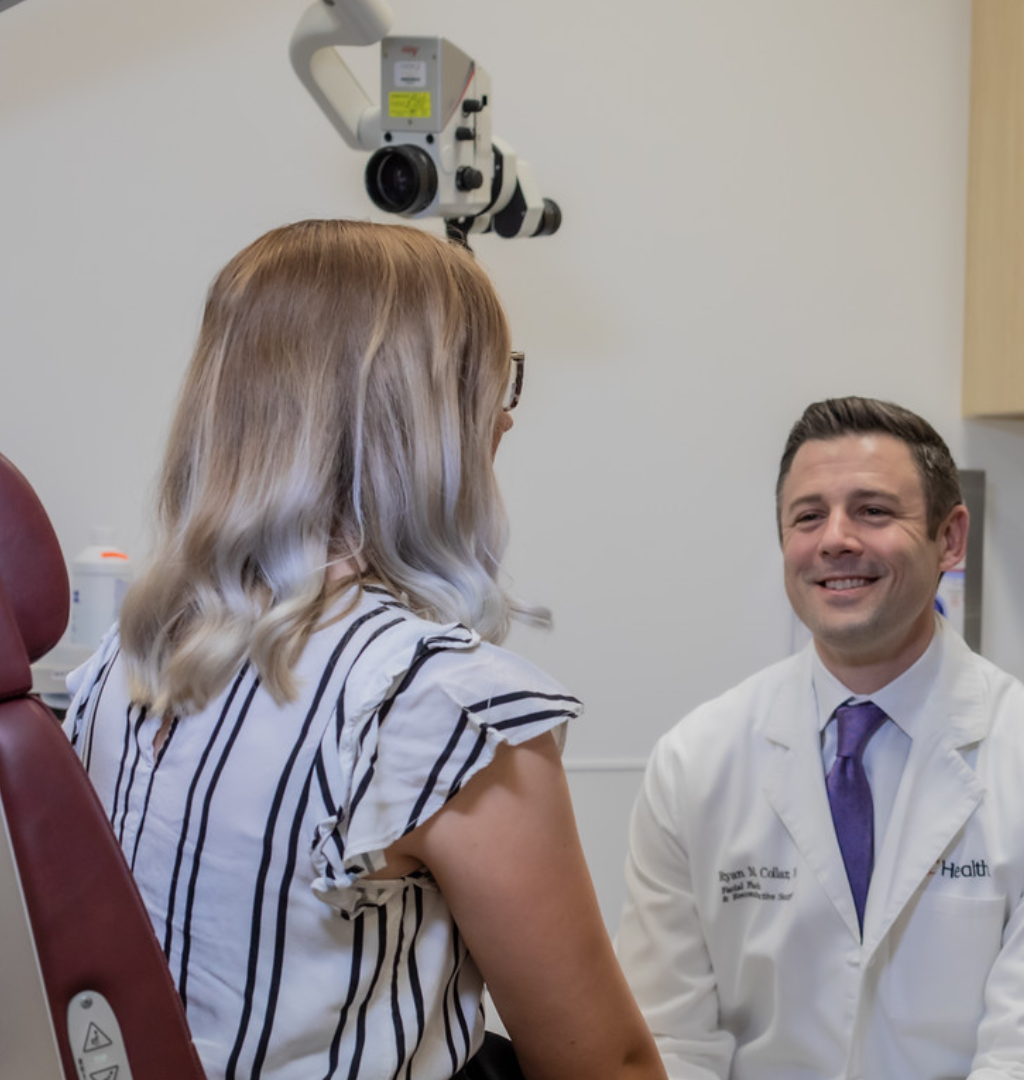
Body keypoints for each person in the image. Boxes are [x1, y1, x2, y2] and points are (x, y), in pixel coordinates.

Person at [62, 220, 666, 1080]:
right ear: (433, 419)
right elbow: (602, 1063)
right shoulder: (439, 705)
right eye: (497, 382)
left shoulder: (113, 671)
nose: (506, 416)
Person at [616, 396, 1024, 1079]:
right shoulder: (694, 763)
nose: (835, 539)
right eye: (807, 517)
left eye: (873, 511)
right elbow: (668, 1043)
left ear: (950, 539)